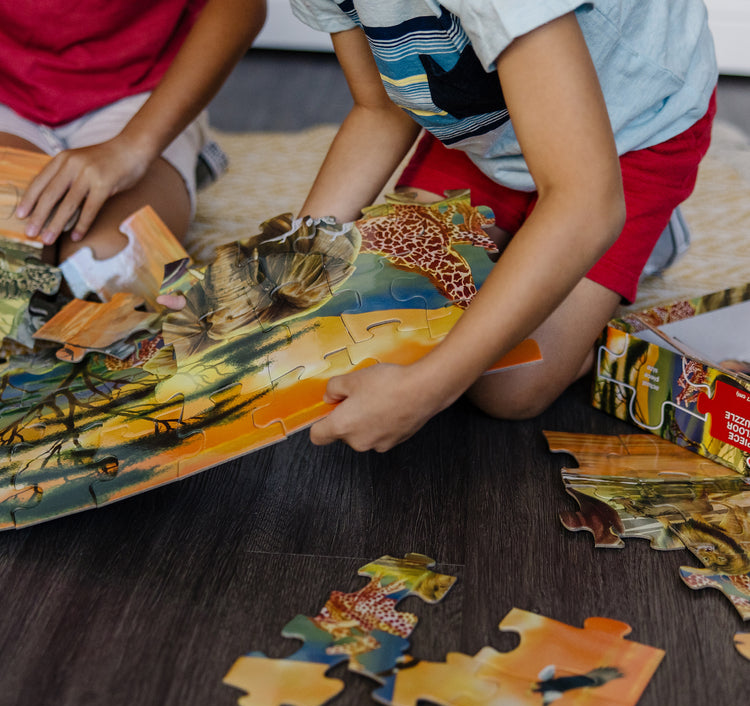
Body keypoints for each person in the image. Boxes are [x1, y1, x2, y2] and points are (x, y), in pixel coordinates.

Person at [289, 1, 718, 453]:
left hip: (631, 131)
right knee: (394, 300)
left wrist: (427, 390)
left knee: (510, 388)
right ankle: (551, 238)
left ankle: (643, 237)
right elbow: (378, 109)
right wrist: (298, 258)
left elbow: (584, 203)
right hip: (489, 126)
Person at [1, 0, 266, 265]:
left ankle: (176, 154)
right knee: (11, 261)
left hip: (144, 93)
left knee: (112, 263)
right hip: (8, 94)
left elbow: (243, 6)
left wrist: (134, 148)